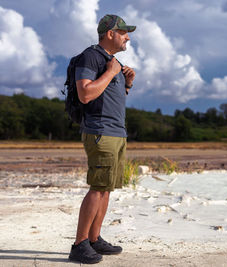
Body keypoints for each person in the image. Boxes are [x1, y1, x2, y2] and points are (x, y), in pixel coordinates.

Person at [68, 14, 136, 264]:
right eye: (124, 32)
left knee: (106, 188)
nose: (127, 37)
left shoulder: (113, 62)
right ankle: (79, 245)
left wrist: (126, 83)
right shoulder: (92, 57)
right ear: (110, 33)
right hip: (100, 132)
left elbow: (109, 99)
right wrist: (110, 72)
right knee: (98, 188)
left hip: (117, 132)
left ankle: (94, 240)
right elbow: (85, 93)